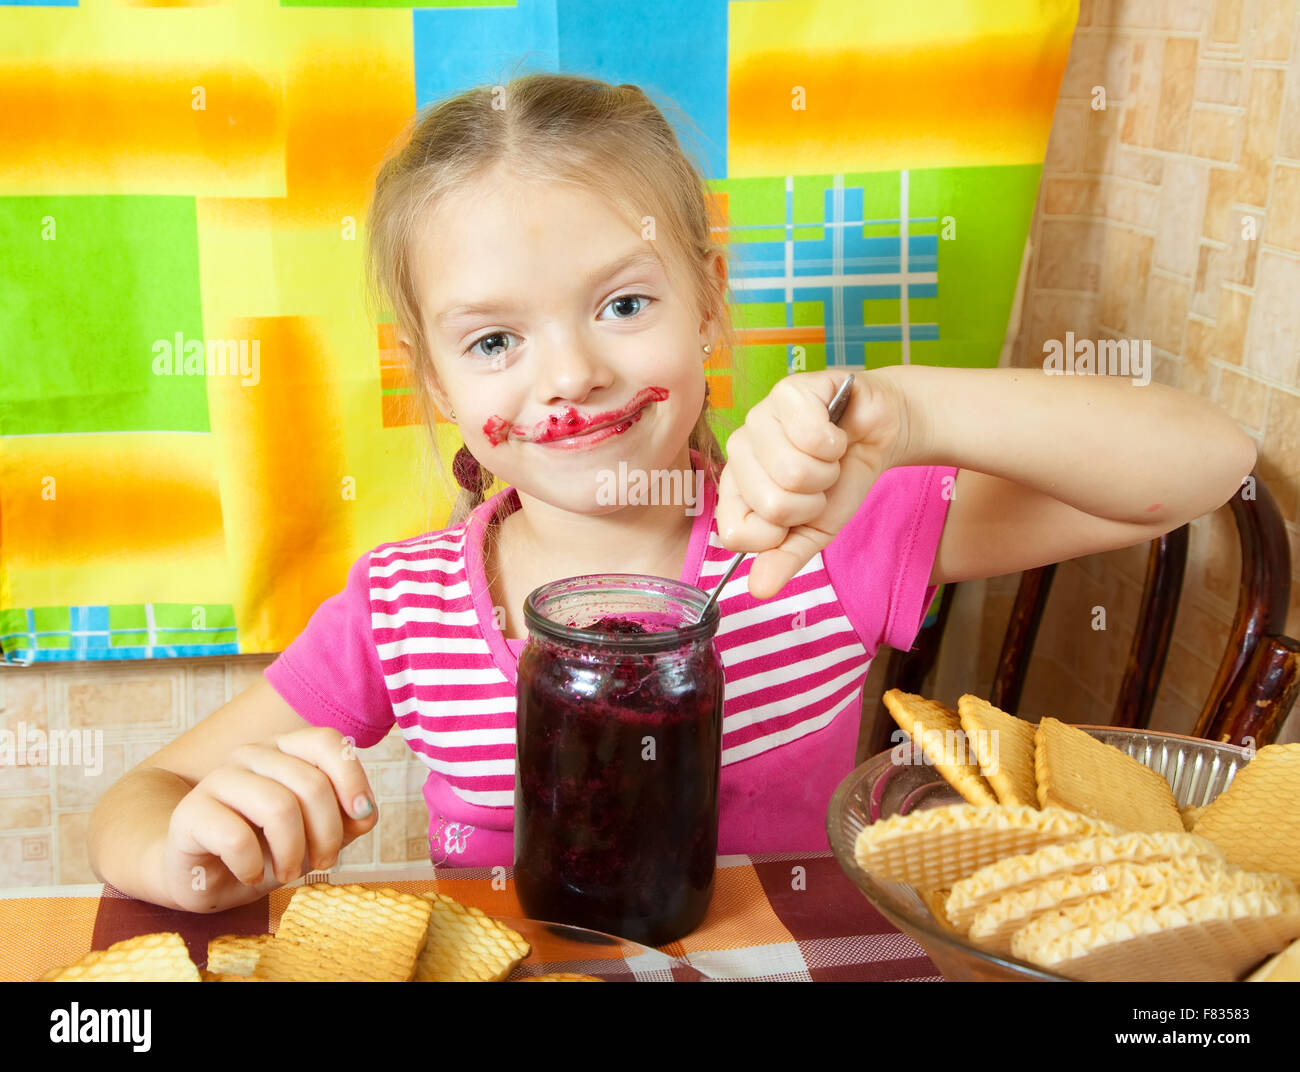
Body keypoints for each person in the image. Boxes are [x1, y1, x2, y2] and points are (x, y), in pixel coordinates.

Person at [88, 73, 1256, 913]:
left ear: (708, 305)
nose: (572, 375)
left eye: (624, 306)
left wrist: (908, 417)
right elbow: (141, 799)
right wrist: (199, 851)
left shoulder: (827, 533)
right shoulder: (402, 610)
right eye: (493, 339)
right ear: (430, 382)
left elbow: (1202, 464)